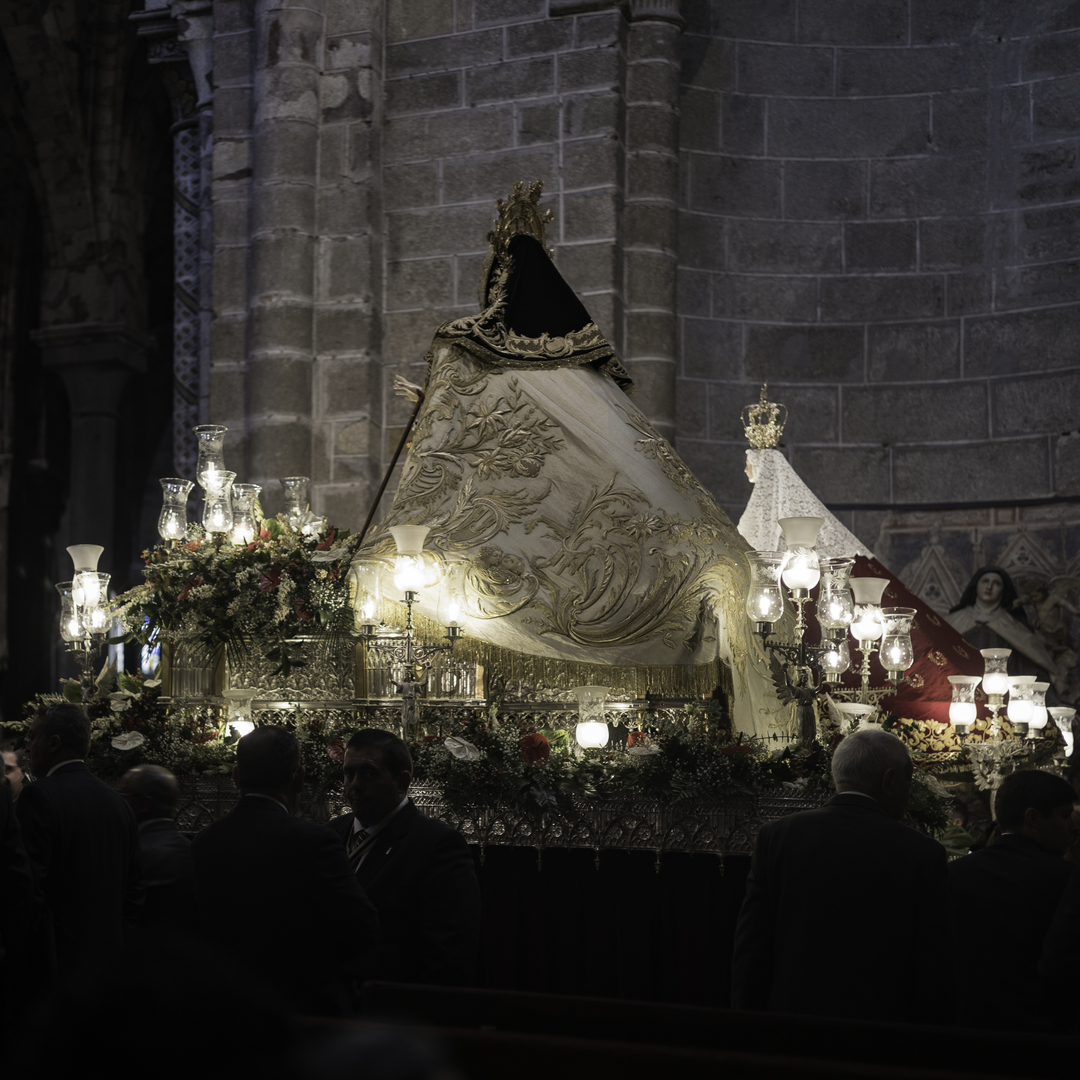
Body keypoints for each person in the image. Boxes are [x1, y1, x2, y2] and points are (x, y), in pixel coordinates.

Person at [731, 727, 948, 1023]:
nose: (910, 793)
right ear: (889, 780)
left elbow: (752, 945)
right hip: (880, 1030)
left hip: (790, 1023)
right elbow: (931, 965)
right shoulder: (921, 853)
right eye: (909, 781)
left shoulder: (777, 836)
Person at [192, 726, 379, 1016]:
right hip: (302, 1012)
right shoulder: (315, 841)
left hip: (227, 1007)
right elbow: (361, 929)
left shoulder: (204, 841)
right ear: (300, 778)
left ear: (236, 777)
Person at [327, 728, 481, 986]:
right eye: (349, 773)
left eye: (368, 773)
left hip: (390, 1011)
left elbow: (450, 956)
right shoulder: (331, 834)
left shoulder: (436, 845)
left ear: (402, 782)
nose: (355, 784)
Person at [15, 703, 143, 990]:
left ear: (53, 743)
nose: (27, 745)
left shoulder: (39, 796)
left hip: (56, 966)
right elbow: (134, 889)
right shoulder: (118, 802)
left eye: (32, 737)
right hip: (108, 965)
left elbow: (28, 886)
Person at [948, 769, 1077, 1031]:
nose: (1073, 827)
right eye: (1064, 815)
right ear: (1033, 818)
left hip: (965, 1030)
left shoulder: (954, 874)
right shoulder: (1068, 880)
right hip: (1043, 1035)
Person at [118, 764, 195, 933]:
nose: (119, 802)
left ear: (144, 804)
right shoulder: (192, 850)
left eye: (123, 795)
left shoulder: (132, 854)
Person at [946, 566, 1057, 682]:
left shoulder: (1012, 624)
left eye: (996, 584)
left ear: (1003, 590)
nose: (989, 587)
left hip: (1002, 691)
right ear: (976, 585)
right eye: (985, 581)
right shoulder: (954, 620)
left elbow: (1033, 662)